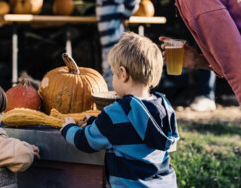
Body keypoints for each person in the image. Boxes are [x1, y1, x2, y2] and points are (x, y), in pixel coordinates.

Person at [61, 31, 179, 187]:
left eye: (113, 73)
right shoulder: (164, 106)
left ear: (123, 74)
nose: (113, 79)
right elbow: (135, 127)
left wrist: (68, 128)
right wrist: (95, 122)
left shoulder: (116, 112)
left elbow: (86, 142)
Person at [91, 0, 140, 90]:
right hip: (113, 40)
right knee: (117, 71)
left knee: (110, 73)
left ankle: (111, 102)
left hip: (112, 41)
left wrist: (125, 15)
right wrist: (124, 15)